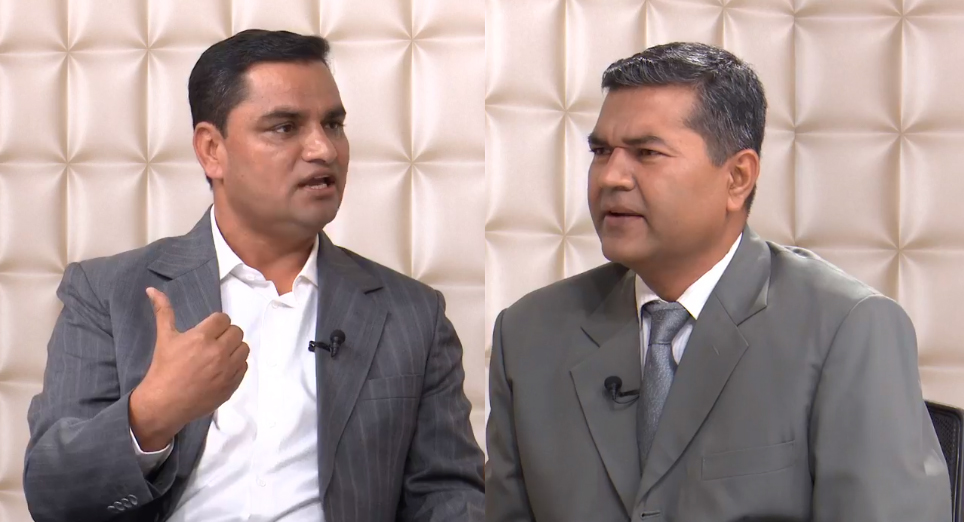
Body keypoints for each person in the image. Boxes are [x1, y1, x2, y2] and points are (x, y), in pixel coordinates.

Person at [24, 29, 483, 522]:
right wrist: (152, 413)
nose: (323, 149)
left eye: (333, 124)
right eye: (285, 127)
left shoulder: (412, 314)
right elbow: (53, 495)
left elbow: (448, 495)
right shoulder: (109, 293)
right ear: (211, 150)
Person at [485, 42, 951, 521]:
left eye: (646, 153)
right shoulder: (528, 336)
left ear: (737, 178)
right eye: (601, 151)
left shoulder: (846, 329)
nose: (611, 177)